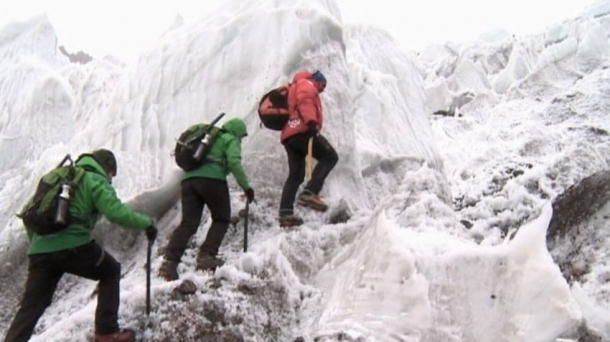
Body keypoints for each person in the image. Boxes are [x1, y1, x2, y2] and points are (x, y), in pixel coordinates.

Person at [4, 149, 158, 342]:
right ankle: (107, 332)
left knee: (32, 306)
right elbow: (116, 213)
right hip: (73, 246)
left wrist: (40, 244)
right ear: (106, 167)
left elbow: (28, 213)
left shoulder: (58, 179)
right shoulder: (95, 180)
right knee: (110, 271)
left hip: (39, 252)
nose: (110, 179)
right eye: (111, 174)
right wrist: (147, 223)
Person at [159, 117, 254, 281]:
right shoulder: (229, 139)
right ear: (237, 132)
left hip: (188, 182)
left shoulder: (209, 138)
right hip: (212, 180)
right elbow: (234, 162)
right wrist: (246, 187)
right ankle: (206, 255)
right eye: (241, 136)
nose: (241, 139)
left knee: (188, 223)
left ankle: (170, 261)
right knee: (222, 218)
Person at [278, 70, 338, 227]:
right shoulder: (306, 83)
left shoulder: (296, 85)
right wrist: (311, 121)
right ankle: (310, 192)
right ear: (316, 80)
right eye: (322, 85)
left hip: (289, 136)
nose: (322, 89)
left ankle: (285, 213)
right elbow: (305, 99)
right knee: (330, 156)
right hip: (302, 129)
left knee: (296, 175)